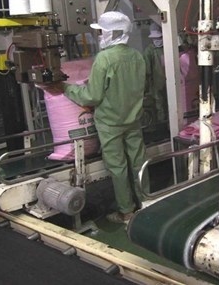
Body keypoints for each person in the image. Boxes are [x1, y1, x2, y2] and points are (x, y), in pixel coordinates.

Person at [48, 11, 147, 224]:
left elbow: (92, 96)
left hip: (110, 123)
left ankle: (126, 211)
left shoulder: (104, 59)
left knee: (118, 167)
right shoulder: (137, 56)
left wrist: (66, 88)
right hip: (133, 120)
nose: (99, 35)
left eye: (101, 31)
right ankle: (147, 202)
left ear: (111, 33)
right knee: (138, 162)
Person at [143, 22, 168, 126]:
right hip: (157, 83)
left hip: (171, 81)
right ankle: (163, 125)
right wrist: (146, 87)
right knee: (159, 105)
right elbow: (147, 71)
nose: (156, 40)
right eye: (154, 38)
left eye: (159, 37)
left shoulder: (169, 47)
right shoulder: (149, 51)